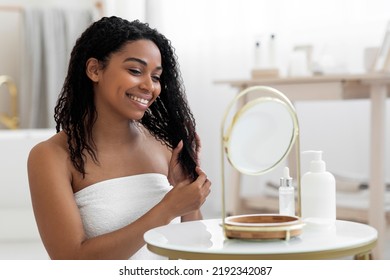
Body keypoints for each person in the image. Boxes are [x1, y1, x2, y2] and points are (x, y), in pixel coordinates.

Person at [27, 16, 211, 260]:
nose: (149, 86)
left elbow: (195, 250)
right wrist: (167, 209)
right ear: (94, 70)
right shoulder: (51, 156)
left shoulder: (165, 146)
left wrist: (187, 195)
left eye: (156, 77)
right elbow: (70, 259)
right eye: (135, 71)